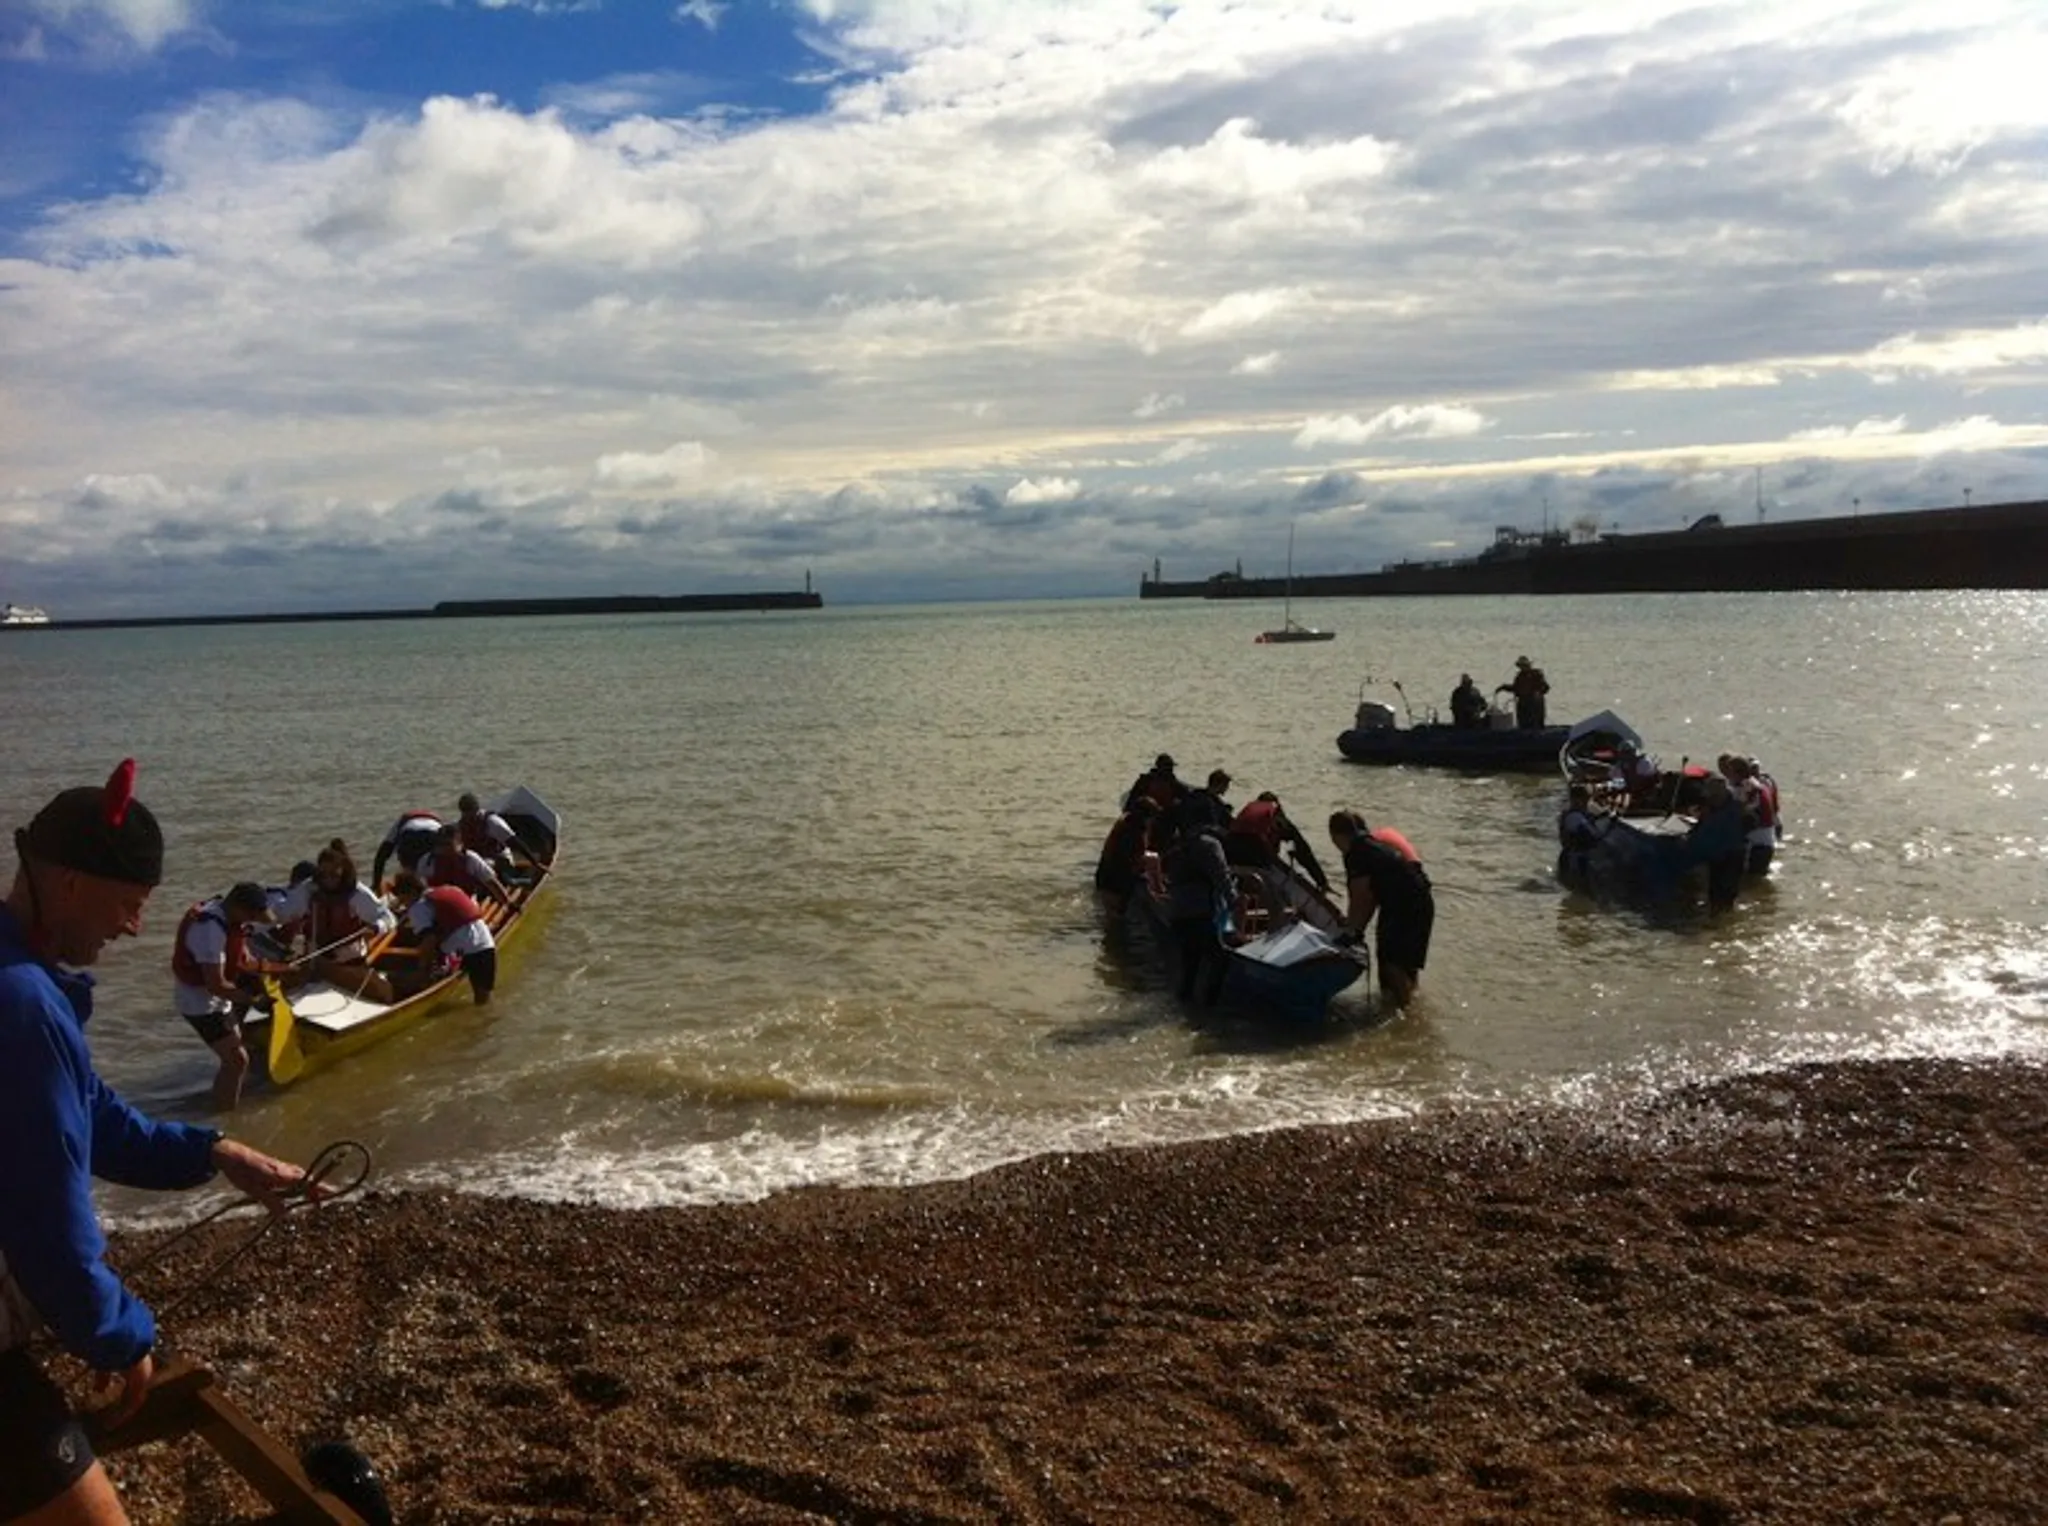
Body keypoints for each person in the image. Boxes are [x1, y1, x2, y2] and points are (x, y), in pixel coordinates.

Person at [1, 760, 311, 1526]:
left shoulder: (18, 977)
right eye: (130, 904)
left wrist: (210, 1153)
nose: (136, 926)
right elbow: (49, 1222)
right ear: (70, 882)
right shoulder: (25, 1004)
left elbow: (89, 1113)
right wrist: (120, 1335)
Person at [170, 880, 279, 1111]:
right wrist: (254, 1001)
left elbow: (244, 960)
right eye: (252, 916)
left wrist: (278, 968)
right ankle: (224, 1117)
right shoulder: (209, 930)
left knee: (235, 1058)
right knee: (237, 1061)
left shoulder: (227, 915)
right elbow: (216, 984)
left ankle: (223, 1099)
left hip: (220, 999)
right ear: (239, 908)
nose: (251, 922)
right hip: (200, 1004)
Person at [1326, 810, 1436, 1010]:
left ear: (1337, 836)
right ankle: (1407, 1006)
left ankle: (1407, 1015)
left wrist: (1352, 931)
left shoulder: (1356, 853)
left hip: (1404, 905)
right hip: (1421, 900)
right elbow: (1370, 898)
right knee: (1406, 964)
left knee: (1391, 964)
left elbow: (1361, 896)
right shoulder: (1374, 846)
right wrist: (1357, 929)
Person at [284, 840, 399, 1001]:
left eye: (334, 875)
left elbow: (388, 918)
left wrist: (375, 928)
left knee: (384, 995)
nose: (328, 880)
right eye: (323, 875)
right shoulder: (309, 889)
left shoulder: (357, 893)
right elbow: (282, 913)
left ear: (343, 872)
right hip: (315, 961)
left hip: (348, 963)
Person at [387, 871, 498, 1005]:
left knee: (401, 977)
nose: (403, 904)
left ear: (410, 893)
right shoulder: (450, 889)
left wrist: (423, 968)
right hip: (486, 945)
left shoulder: (418, 908)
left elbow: (429, 940)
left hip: (466, 952)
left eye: (402, 899)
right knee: (483, 1001)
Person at [1160, 821, 1237, 1005]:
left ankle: (1186, 1004)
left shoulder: (1180, 846)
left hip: (1178, 913)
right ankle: (1209, 1006)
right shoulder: (1210, 845)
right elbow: (1222, 877)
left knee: (1191, 963)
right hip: (1198, 912)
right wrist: (1235, 901)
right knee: (1221, 959)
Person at [1223, 792, 1332, 894]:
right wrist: (1321, 881)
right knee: (1275, 899)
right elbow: (1302, 850)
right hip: (1255, 856)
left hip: (1230, 854)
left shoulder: (1248, 810)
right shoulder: (1276, 814)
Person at [1093, 797, 1159, 919]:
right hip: (1117, 882)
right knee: (1118, 918)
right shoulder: (1136, 834)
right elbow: (1135, 862)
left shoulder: (1123, 823)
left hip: (1104, 877)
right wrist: (1153, 887)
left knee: (1110, 917)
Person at [420, 825, 511, 906]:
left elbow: (491, 882)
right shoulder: (427, 861)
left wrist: (506, 903)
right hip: (437, 904)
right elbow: (420, 888)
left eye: (448, 844)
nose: (444, 849)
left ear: (460, 844)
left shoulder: (470, 858)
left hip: (466, 902)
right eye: (440, 845)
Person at [455, 792, 530, 878]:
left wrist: (535, 862)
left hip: (499, 858)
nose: (467, 817)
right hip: (478, 859)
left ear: (476, 809)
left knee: (485, 866)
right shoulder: (461, 825)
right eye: (465, 813)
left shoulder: (492, 822)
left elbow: (514, 842)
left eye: (470, 813)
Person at [368, 807, 443, 891]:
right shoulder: (437, 822)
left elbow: (382, 855)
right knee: (434, 868)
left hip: (409, 835)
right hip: (433, 834)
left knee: (409, 874)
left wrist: (376, 884)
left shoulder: (401, 822)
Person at [1557, 783, 1603, 886]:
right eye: (1586, 800)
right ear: (1577, 800)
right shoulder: (1575, 817)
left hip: (1570, 857)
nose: (1588, 804)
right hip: (1575, 860)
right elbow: (1594, 836)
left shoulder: (1570, 814)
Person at [1172, 769, 1235, 834]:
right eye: (1226, 785)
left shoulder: (1200, 795)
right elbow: (1209, 822)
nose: (1227, 788)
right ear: (1220, 785)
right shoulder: (1203, 800)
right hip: (1198, 834)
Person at [1495, 655, 1550, 729]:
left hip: (1534, 704)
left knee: (1536, 723)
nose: (1522, 668)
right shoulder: (1520, 676)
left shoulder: (1536, 674)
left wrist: (1538, 693)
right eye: (1520, 666)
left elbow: (1545, 687)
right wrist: (1503, 687)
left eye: (1523, 666)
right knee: (1523, 723)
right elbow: (1516, 688)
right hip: (1522, 703)